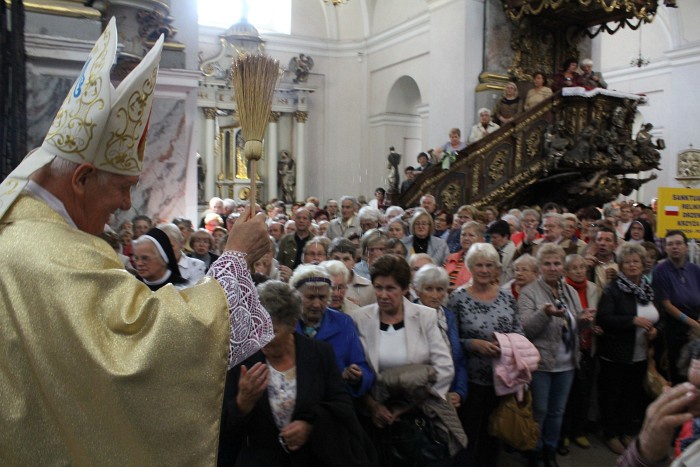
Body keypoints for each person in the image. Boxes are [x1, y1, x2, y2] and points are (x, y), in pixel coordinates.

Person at [0, 19, 273, 464]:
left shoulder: (21, 232)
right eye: (124, 185)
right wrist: (237, 256)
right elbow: (147, 347)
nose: (127, 203)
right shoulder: (50, 253)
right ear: (83, 178)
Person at [218, 280, 375, 466]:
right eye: (256, 328)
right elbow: (221, 428)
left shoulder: (319, 354)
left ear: (292, 325)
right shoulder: (241, 358)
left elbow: (342, 407)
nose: (261, 338)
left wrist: (310, 426)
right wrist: (242, 403)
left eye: (271, 331)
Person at [350, 255, 460, 465]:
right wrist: (374, 407)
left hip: (418, 415)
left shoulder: (425, 317)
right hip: (375, 418)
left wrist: (407, 407)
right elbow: (357, 369)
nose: (383, 295)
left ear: (405, 289)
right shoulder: (360, 319)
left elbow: (445, 367)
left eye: (390, 288)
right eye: (378, 287)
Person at [447, 243, 524, 467]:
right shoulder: (458, 298)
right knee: (467, 433)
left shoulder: (507, 298)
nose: (484, 270)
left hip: (501, 380)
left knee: (493, 433)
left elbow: (519, 333)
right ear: (470, 267)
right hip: (468, 380)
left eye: (489, 265)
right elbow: (448, 340)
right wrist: (473, 344)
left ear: (496, 269)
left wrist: (506, 345)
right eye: (479, 265)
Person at [519, 244, 593, 467]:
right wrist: (545, 313)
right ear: (539, 267)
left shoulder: (569, 291)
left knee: (557, 411)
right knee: (540, 411)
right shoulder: (529, 292)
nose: (552, 268)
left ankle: (550, 449)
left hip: (567, 362)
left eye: (557, 263)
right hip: (542, 362)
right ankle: (535, 451)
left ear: (563, 267)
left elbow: (573, 327)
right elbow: (525, 329)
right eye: (547, 264)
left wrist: (583, 320)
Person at [596, 243, 658, 455]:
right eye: (628, 262)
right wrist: (632, 320)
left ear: (643, 264)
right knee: (612, 395)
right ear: (621, 265)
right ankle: (611, 434)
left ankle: (626, 431)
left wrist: (655, 330)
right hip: (616, 353)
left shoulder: (648, 289)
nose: (632, 265)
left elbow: (657, 317)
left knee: (631, 395)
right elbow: (604, 319)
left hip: (640, 354)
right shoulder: (613, 289)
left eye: (636, 261)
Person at [289, 265, 374, 398]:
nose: (317, 304)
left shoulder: (343, 323)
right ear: (295, 296)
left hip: (333, 403)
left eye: (322, 297)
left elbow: (363, 368)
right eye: (310, 297)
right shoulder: (285, 324)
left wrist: (357, 376)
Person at [560, 254, 600, 452]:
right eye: (573, 268)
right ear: (565, 271)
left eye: (582, 267)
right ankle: (564, 432)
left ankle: (578, 430)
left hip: (587, 345)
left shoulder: (593, 288)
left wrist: (596, 326)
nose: (578, 271)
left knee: (584, 392)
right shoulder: (561, 289)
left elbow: (597, 313)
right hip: (568, 346)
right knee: (567, 393)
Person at [413, 264, 468, 409]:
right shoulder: (408, 315)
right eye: (429, 289)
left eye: (440, 289)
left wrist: (460, 392)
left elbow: (459, 359)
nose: (435, 295)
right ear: (417, 290)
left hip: (447, 393)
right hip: (416, 396)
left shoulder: (449, 317)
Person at [652, 230, 700, 384]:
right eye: (670, 244)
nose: (675, 247)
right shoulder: (660, 271)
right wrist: (692, 324)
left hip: (696, 326)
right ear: (665, 248)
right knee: (678, 374)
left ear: (686, 247)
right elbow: (666, 305)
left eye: (679, 243)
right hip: (673, 329)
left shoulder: (694, 269)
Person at [444, 220, 486, 289]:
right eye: (463, 235)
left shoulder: (484, 261)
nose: (466, 238)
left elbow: (479, 287)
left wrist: (449, 289)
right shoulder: (451, 257)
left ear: (481, 239)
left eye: (471, 235)